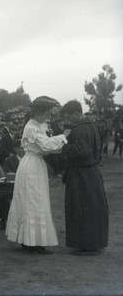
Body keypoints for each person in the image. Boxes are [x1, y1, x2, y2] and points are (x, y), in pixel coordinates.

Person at [6, 96, 70, 254]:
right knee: (32, 201)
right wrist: (65, 135)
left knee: (36, 201)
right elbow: (46, 145)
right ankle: (30, 241)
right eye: (47, 112)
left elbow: (48, 146)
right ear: (39, 112)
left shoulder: (39, 125)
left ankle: (34, 240)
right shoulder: (31, 127)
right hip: (31, 166)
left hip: (36, 164)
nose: (48, 116)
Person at [60, 100, 109, 256]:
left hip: (81, 175)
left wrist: (64, 146)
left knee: (81, 208)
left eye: (69, 116)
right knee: (93, 208)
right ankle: (94, 243)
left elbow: (81, 151)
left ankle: (85, 245)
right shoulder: (91, 126)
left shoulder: (80, 129)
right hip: (91, 173)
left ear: (76, 113)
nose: (68, 120)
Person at [0, 139, 24, 230]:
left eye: (25, 148)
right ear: (15, 149)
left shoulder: (29, 160)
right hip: (13, 187)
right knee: (3, 196)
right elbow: (4, 172)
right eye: (21, 148)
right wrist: (11, 175)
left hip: (27, 188)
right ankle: (3, 220)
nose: (24, 150)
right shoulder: (9, 160)